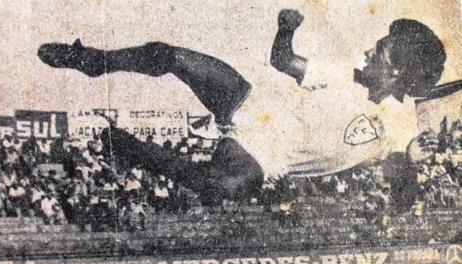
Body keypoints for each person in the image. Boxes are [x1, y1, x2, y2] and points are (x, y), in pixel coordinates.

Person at [37, 11, 447, 203]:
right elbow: (282, 61)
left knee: (222, 187)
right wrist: (286, 29)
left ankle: (125, 146)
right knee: (170, 56)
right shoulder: (343, 72)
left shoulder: (400, 125)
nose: (367, 52)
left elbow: (402, 172)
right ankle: (94, 62)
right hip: (254, 105)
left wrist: (410, 164)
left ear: (396, 73)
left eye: (379, 52)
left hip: (265, 156)